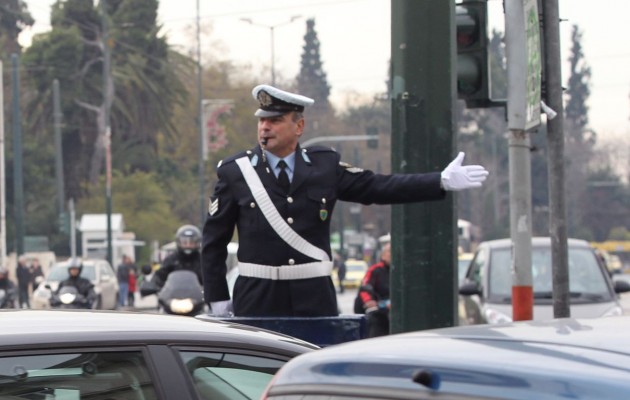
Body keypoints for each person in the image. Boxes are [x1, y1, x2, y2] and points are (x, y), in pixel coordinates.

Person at [202, 84, 489, 318]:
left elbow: (378, 187)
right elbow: (213, 242)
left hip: (313, 296)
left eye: (275, 120)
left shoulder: (325, 166)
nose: (265, 127)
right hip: (256, 296)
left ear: (298, 126)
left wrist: (438, 180)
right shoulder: (235, 171)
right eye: (262, 120)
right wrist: (217, 298)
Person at [357, 242, 392, 338]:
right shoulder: (375, 270)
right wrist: (369, 301)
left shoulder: (401, 269)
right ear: (383, 255)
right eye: (389, 251)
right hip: (379, 312)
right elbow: (365, 287)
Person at [153, 225, 203, 289]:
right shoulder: (171, 259)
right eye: (185, 242)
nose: (188, 245)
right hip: (173, 296)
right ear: (179, 242)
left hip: (199, 296)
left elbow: (212, 277)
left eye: (191, 243)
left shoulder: (203, 260)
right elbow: (159, 277)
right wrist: (157, 287)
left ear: (197, 243)